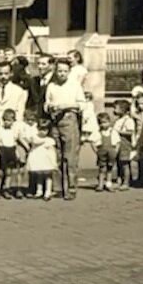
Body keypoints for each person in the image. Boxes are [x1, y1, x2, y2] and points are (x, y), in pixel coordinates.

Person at [43, 60, 84, 198]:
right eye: (59, 71)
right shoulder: (51, 86)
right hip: (55, 120)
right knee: (57, 155)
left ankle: (71, 188)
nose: (62, 73)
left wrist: (65, 106)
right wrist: (50, 107)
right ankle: (58, 187)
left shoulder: (75, 86)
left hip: (69, 119)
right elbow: (46, 103)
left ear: (69, 72)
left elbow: (81, 104)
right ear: (55, 71)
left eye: (65, 71)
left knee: (70, 156)